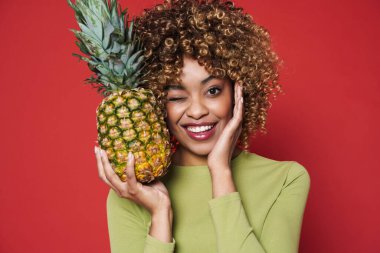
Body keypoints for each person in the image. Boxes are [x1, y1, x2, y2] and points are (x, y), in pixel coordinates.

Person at [94, 0, 311, 252]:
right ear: (155, 104)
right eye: (176, 97)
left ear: (238, 90)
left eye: (213, 91)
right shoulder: (133, 194)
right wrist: (160, 215)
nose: (197, 111)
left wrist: (220, 172)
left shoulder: (285, 180)